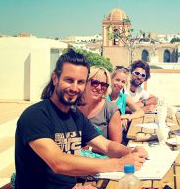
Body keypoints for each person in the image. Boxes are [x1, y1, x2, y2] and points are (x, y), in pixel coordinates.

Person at [15, 49, 148, 189]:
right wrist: (119, 164)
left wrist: (131, 152)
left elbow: (106, 145)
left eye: (80, 82)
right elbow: (58, 163)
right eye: (69, 80)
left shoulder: (75, 115)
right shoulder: (36, 116)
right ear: (55, 78)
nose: (74, 87)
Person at [78, 66, 123, 143]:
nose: (99, 88)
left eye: (103, 85)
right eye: (95, 83)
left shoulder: (111, 110)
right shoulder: (71, 106)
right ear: (85, 82)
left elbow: (116, 146)